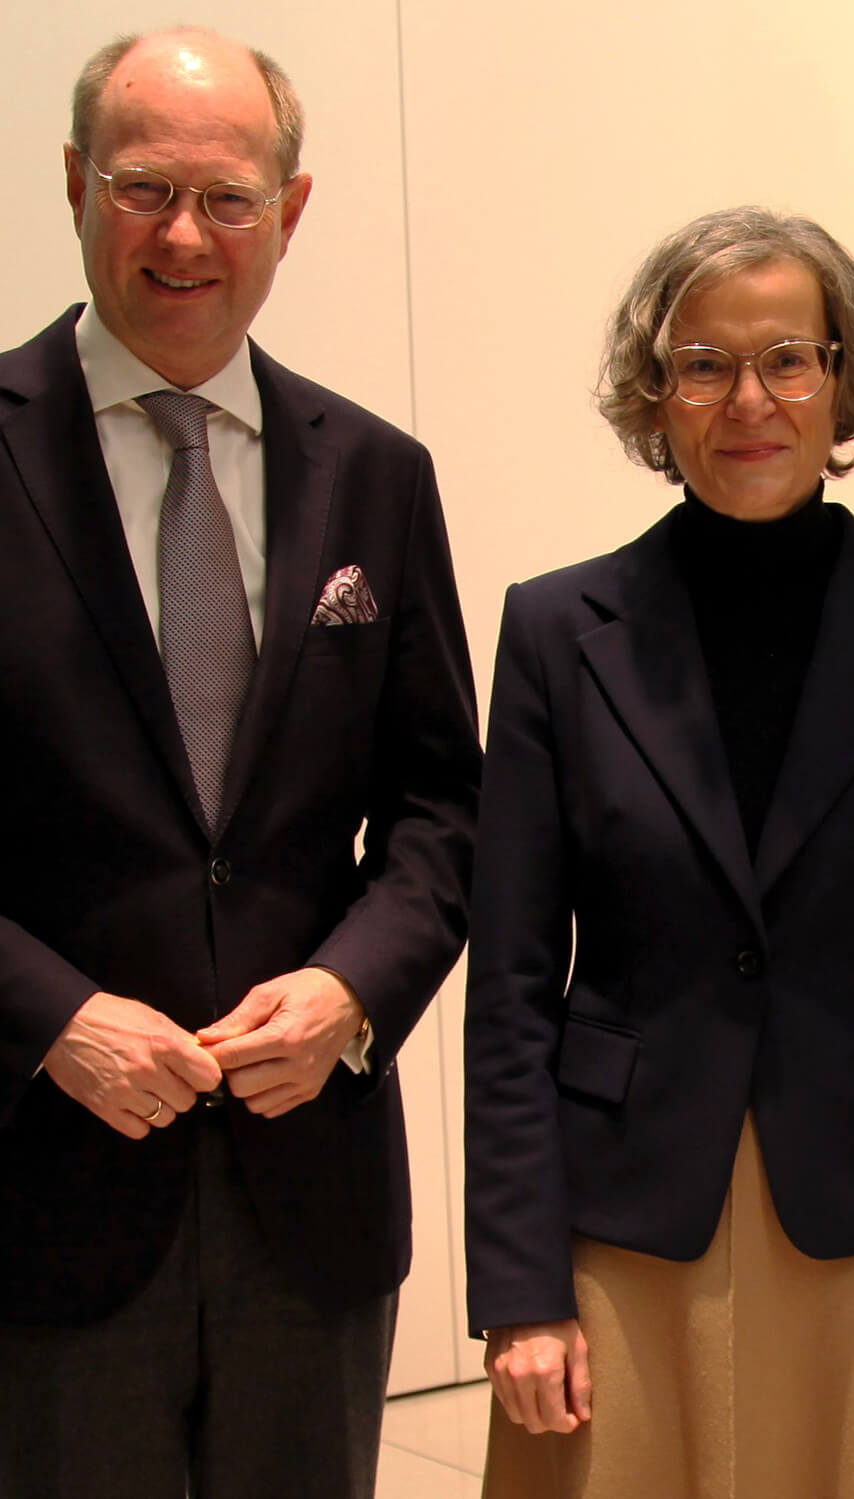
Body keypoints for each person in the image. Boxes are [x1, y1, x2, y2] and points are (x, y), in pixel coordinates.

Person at [464, 206, 854, 1499]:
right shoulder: (560, 633)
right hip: (618, 1231)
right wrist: (517, 1289)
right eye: (704, 364)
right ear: (653, 397)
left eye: (788, 357)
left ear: (846, 382)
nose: (749, 400)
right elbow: (506, 995)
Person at [0, 27, 481, 1499]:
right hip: (44, 1181)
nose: (185, 235)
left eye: (229, 197)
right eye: (145, 188)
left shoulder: (376, 474)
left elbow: (442, 811)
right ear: (75, 184)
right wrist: (52, 1015)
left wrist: (352, 992)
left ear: (295, 207)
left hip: (310, 1187)